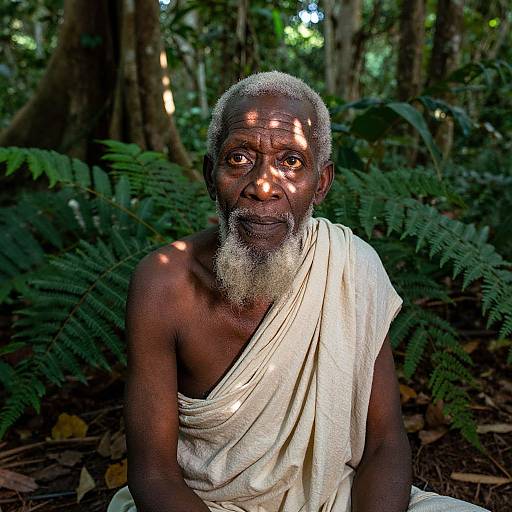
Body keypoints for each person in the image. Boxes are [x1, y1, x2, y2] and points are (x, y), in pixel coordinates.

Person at [107, 72, 488, 512]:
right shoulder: (162, 284)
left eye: (290, 161)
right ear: (212, 175)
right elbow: (154, 475)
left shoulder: (350, 267)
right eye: (239, 158)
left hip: (335, 499)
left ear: (320, 183)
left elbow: (385, 441)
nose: (263, 185)